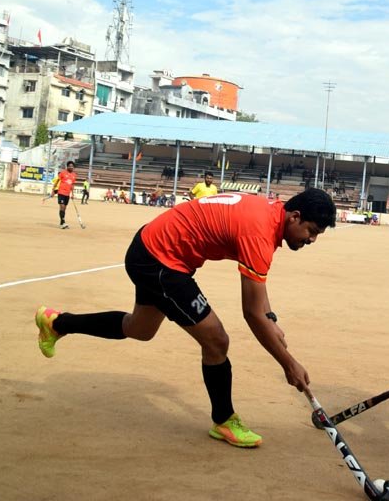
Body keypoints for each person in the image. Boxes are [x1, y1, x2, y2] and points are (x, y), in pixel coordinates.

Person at [34, 188, 337, 449]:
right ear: (295, 216)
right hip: (161, 260)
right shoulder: (259, 231)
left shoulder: (271, 213)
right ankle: (224, 420)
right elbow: (251, 313)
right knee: (216, 339)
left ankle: (56, 323)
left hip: (153, 247)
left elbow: (260, 304)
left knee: (139, 329)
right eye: (311, 231)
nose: (311, 240)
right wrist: (288, 363)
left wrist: (271, 319)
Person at [53, 161, 77, 229]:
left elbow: (72, 185)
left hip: (67, 194)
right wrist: (53, 189)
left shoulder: (74, 175)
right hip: (61, 193)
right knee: (62, 207)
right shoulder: (63, 173)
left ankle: (61, 223)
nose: (71, 167)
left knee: (64, 209)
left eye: (72, 166)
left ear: (73, 167)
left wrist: (73, 194)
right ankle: (63, 222)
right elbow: (57, 180)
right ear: (67, 166)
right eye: (69, 166)